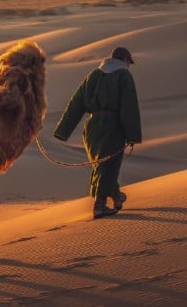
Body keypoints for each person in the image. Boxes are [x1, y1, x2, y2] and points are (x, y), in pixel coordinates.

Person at [53, 47, 143, 219]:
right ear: (125, 59)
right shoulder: (124, 76)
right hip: (112, 126)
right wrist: (132, 135)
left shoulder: (94, 75)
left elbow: (76, 103)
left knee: (101, 164)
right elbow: (129, 107)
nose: (129, 66)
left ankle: (116, 196)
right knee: (108, 165)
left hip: (92, 127)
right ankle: (100, 206)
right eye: (129, 62)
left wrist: (63, 131)